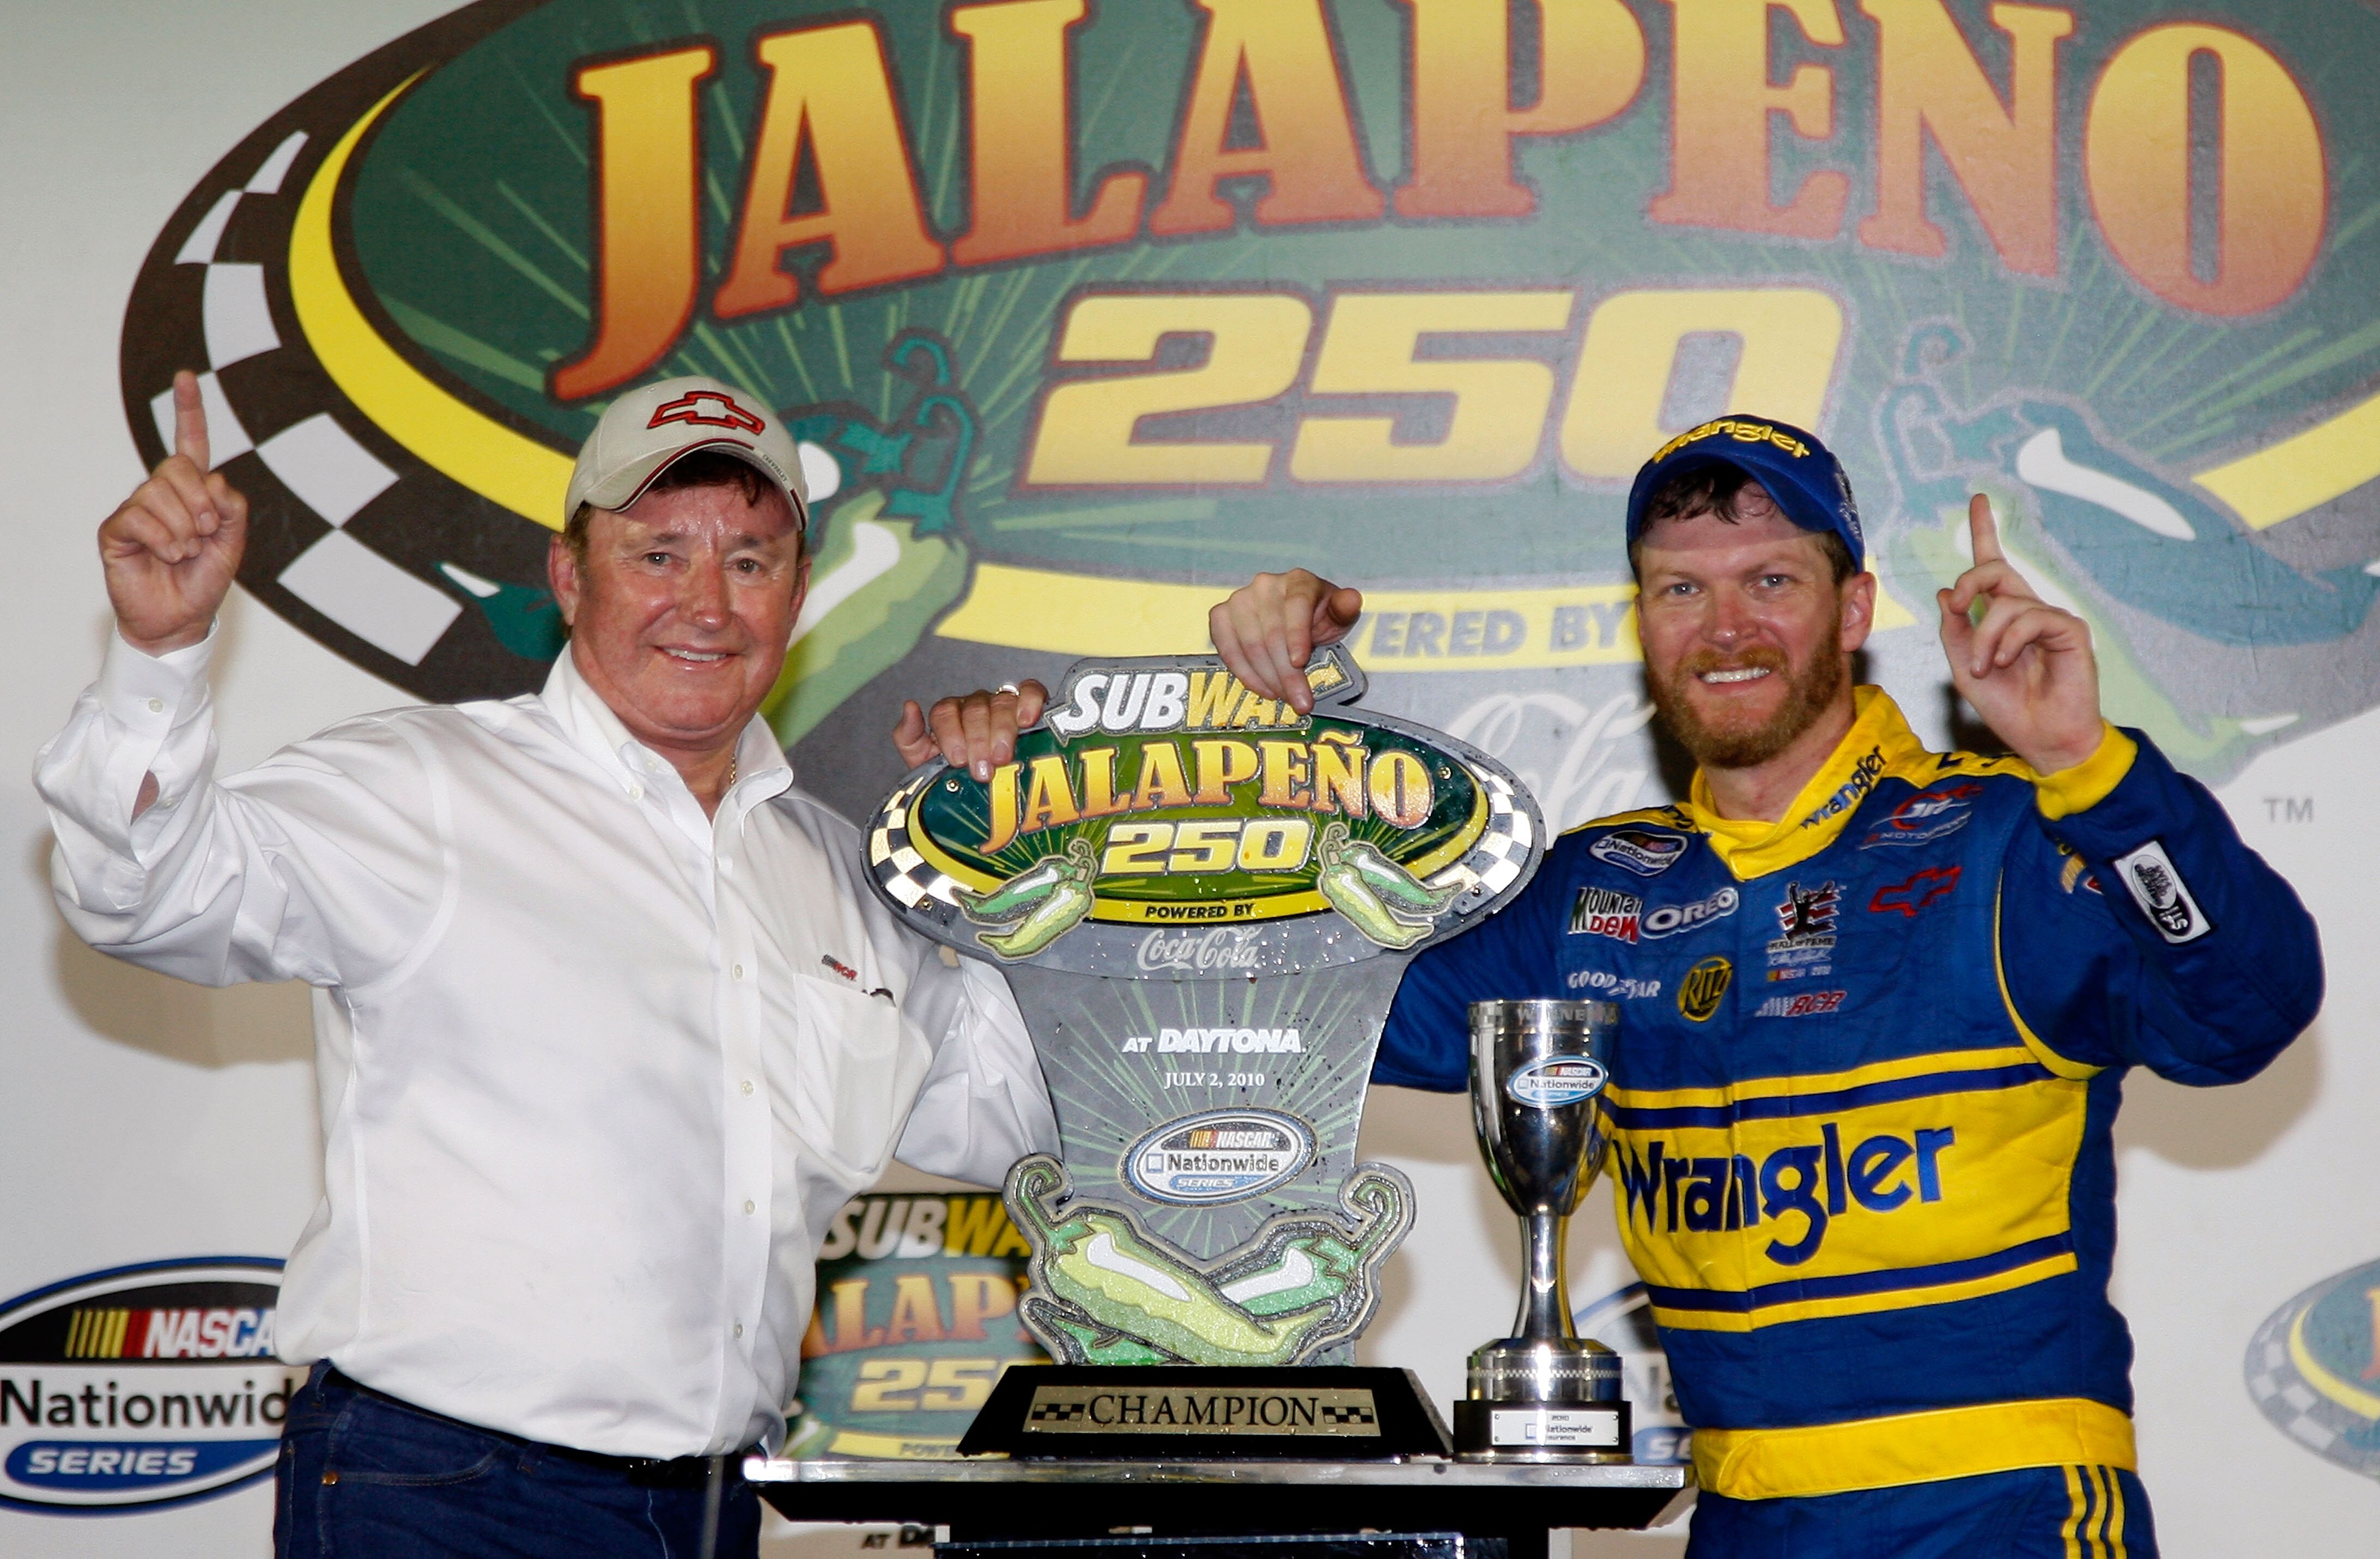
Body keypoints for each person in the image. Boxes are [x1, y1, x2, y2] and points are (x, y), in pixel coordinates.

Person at [1198, 416, 2322, 1557]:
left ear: (1854, 609)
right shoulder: (1593, 889)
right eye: (1680, 589)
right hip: (1738, 1516)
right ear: (1641, 622)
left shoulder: (2001, 839)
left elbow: (2250, 1009)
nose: (1726, 629)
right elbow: (1305, 1020)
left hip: (2000, 1511)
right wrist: (1286, 738)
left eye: (1771, 579)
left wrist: (2092, 766)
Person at [37, 372, 1057, 1559]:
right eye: (659, 553)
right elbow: (143, 891)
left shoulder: (846, 874)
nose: (707, 604)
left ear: (799, 591)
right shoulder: (424, 785)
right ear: (571, 577)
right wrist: (159, 657)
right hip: (442, 1493)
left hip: (716, 1511)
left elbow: (1019, 1122)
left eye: (750, 560)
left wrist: (1028, 854)